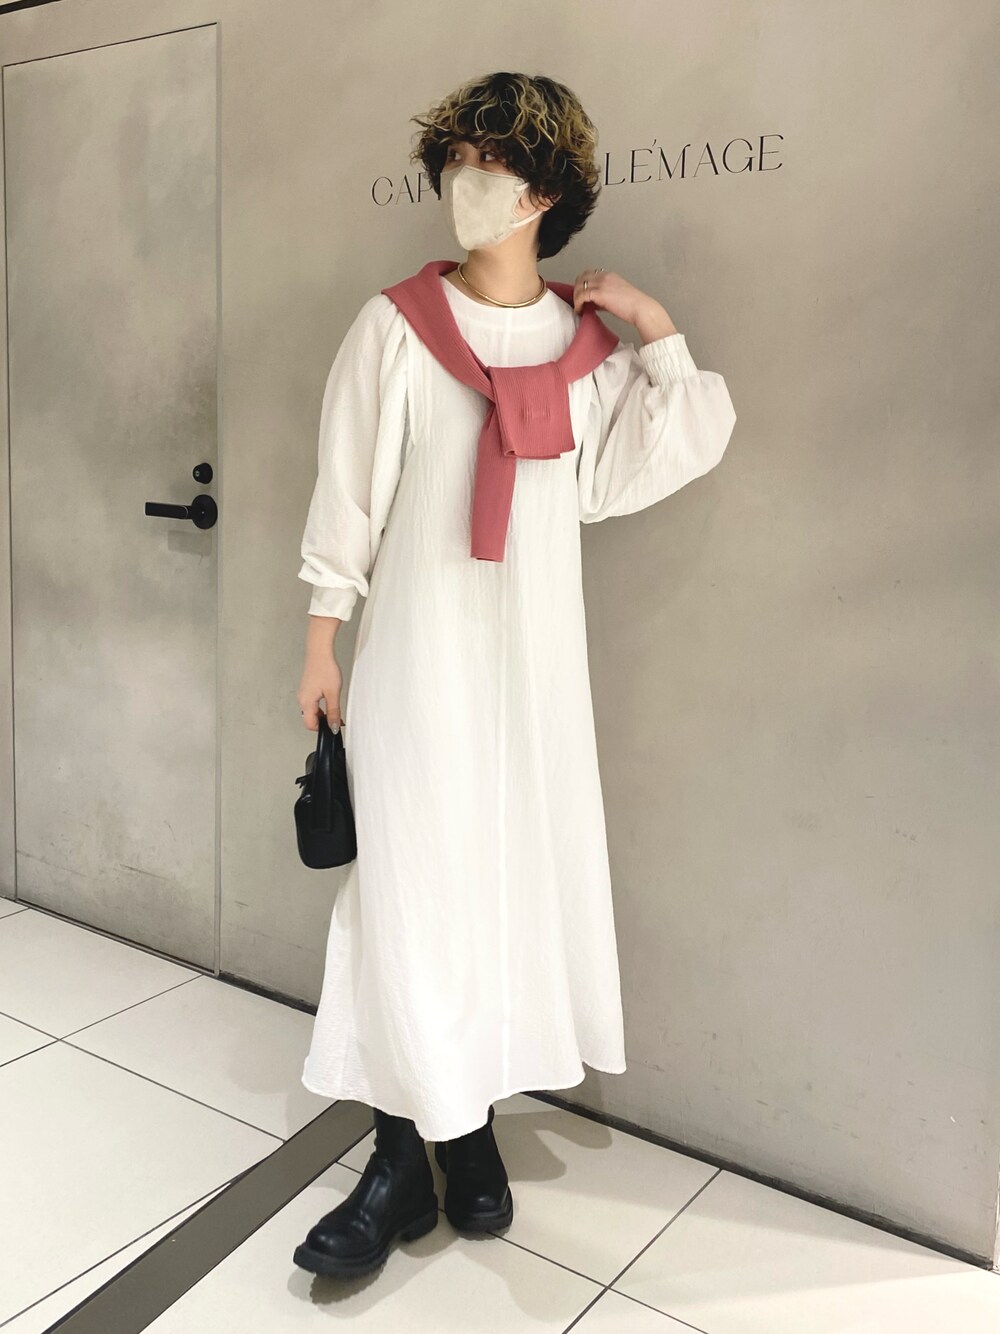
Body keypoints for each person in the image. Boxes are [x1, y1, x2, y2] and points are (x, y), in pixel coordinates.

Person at [291, 71, 737, 1280]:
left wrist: (653, 325)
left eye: (491, 163)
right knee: (410, 894)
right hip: (420, 661)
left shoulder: (582, 353)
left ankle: (469, 1127)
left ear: (546, 192)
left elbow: (640, 464)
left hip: (531, 672)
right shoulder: (394, 327)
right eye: (456, 159)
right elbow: (348, 494)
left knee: (501, 891)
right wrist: (322, 639)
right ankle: (398, 1156)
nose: (465, 181)